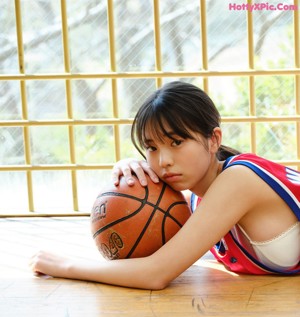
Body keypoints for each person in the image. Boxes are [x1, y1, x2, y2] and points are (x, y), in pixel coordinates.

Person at [30, 81, 300, 289]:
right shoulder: (194, 197)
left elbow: (157, 273)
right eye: (151, 147)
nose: (164, 161)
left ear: (214, 139)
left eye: (176, 142)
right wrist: (127, 174)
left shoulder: (239, 180)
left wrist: (65, 265)